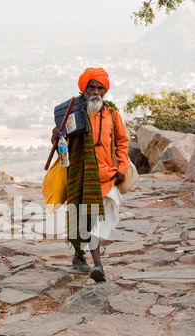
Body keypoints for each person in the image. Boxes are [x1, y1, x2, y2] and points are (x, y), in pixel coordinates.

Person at [52, 67, 131, 282]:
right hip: (81, 174)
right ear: (84, 88)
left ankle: (88, 261)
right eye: (92, 87)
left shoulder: (112, 114)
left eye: (100, 88)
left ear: (105, 91)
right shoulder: (72, 112)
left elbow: (122, 143)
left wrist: (122, 169)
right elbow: (61, 143)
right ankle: (91, 262)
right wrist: (57, 135)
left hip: (107, 176)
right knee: (83, 217)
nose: (95, 92)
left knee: (95, 219)